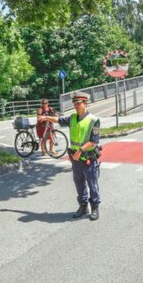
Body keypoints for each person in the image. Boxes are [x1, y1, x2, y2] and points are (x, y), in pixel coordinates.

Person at [48, 92, 101, 221]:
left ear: (85, 103)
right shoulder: (72, 118)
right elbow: (59, 120)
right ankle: (83, 207)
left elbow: (94, 141)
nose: (76, 106)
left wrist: (80, 151)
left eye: (78, 103)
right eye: (75, 104)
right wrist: (45, 118)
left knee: (92, 184)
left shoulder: (94, 120)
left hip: (88, 158)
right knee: (79, 183)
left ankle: (95, 208)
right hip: (76, 160)